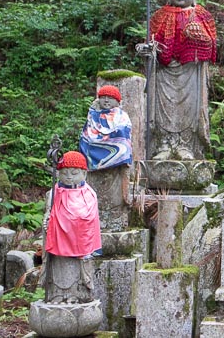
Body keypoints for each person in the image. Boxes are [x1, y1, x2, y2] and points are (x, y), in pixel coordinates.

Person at [138, 0, 217, 160]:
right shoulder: (159, 16)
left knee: (189, 109)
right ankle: (164, 144)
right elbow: (153, 43)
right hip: (163, 72)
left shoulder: (202, 16)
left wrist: (199, 38)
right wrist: (149, 51)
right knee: (162, 109)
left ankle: (185, 145)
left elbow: (211, 47)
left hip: (191, 72)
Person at [42, 151, 101, 304]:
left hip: (80, 239)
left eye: (74, 173)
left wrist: (76, 225)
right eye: (64, 173)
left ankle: (78, 294)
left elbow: (90, 218)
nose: (69, 177)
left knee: (79, 267)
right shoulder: (54, 192)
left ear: (84, 173)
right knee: (58, 266)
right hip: (58, 239)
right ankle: (56, 293)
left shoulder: (88, 194)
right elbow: (48, 212)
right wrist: (47, 222)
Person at [79, 85, 132, 171]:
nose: (106, 100)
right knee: (86, 143)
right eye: (103, 97)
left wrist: (111, 136)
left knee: (123, 144)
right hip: (94, 144)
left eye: (110, 98)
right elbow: (87, 133)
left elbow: (124, 133)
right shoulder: (92, 115)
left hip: (116, 144)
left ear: (117, 101)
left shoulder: (122, 116)